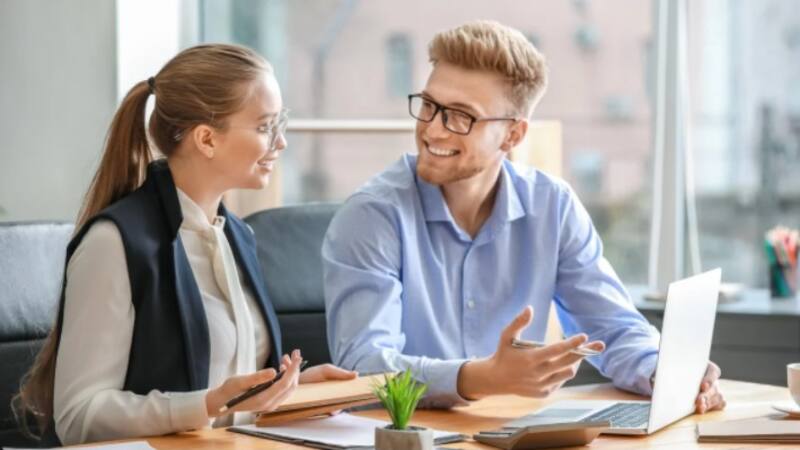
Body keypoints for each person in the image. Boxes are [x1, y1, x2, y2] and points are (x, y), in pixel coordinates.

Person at [323, 21, 725, 412]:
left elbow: (614, 328)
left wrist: (666, 373)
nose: (432, 130)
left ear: (513, 135)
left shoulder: (552, 206)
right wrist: (481, 378)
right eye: (428, 106)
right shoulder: (372, 216)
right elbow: (363, 368)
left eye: (460, 116)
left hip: (511, 435)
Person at [15, 43, 356, 446]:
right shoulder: (114, 243)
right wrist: (207, 404)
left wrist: (291, 390)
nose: (280, 143)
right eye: (265, 127)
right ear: (207, 139)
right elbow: (79, 417)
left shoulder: (237, 236)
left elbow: (229, 399)